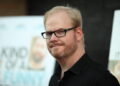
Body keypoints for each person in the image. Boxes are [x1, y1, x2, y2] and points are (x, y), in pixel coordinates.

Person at [41, 6, 120, 86]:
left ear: (78, 34)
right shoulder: (54, 79)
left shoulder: (102, 80)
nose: (52, 38)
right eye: (49, 33)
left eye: (60, 31)